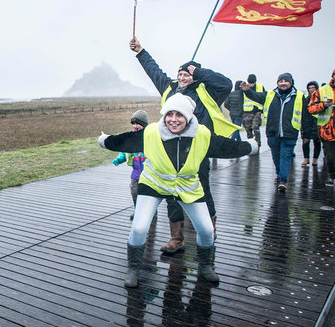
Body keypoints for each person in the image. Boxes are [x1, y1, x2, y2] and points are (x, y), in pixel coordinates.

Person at [98, 94, 257, 287]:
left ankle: (205, 266)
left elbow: (227, 147)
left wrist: (251, 146)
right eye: (169, 114)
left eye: (179, 115)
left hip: (186, 185)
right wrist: (104, 140)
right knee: (139, 227)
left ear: (188, 116)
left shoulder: (202, 134)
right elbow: (126, 141)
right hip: (154, 183)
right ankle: (132, 268)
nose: (173, 119)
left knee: (206, 230)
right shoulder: (151, 132)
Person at [129, 37, 237, 254]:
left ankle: (209, 233)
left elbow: (226, 83)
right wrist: (140, 51)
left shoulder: (207, 91)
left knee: (203, 189)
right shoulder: (169, 89)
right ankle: (176, 239)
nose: (182, 77)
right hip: (169, 152)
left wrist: (198, 71)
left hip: (198, 152)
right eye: (179, 74)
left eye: (186, 74)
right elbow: (154, 71)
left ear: (194, 76)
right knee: (171, 195)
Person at [241, 73, 309, 192]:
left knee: (285, 156)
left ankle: (283, 180)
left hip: (290, 133)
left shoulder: (299, 96)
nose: (283, 83)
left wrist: (306, 133)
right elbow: (257, 96)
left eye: (285, 81)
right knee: (276, 156)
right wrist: (247, 91)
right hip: (273, 132)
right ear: (277, 83)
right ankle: (279, 174)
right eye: (280, 81)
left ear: (291, 83)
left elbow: (305, 115)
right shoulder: (270, 94)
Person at [112, 110, 149, 220]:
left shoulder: (149, 136)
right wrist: (119, 159)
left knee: (148, 193)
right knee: (134, 192)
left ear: (144, 124)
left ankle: (150, 212)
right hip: (136, 173)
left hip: (148, 173)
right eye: (133, 123)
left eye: (138, 123)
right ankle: (137, 210)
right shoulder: (131, 137)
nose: (135, 126)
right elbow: (125, 151)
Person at [308, 70, 335, 185]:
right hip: (327, 131)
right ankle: (332, 176)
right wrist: (324, 105)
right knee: (330, 157)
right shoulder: (322, 91)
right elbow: (311, 108)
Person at [242, 74, 266, 146]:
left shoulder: (260, 87)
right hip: (246, 111)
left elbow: (264, 98)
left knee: (255, 127)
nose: (251, 85)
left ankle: (258, 144)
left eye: (252, 83)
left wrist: (263, 110)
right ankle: (251, 145)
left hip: (257, 111)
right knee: (248, 129)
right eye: (250, 83)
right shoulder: (244, 87)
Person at [302, 81, 321, 166]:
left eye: (313, 88)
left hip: (317, 122)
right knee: (305, 141)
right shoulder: (306, 99)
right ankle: (306, 158)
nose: (311, 90)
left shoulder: (320, 99)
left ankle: (315, 159)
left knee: (317, 141)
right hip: (307, 122)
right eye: (309, 88)